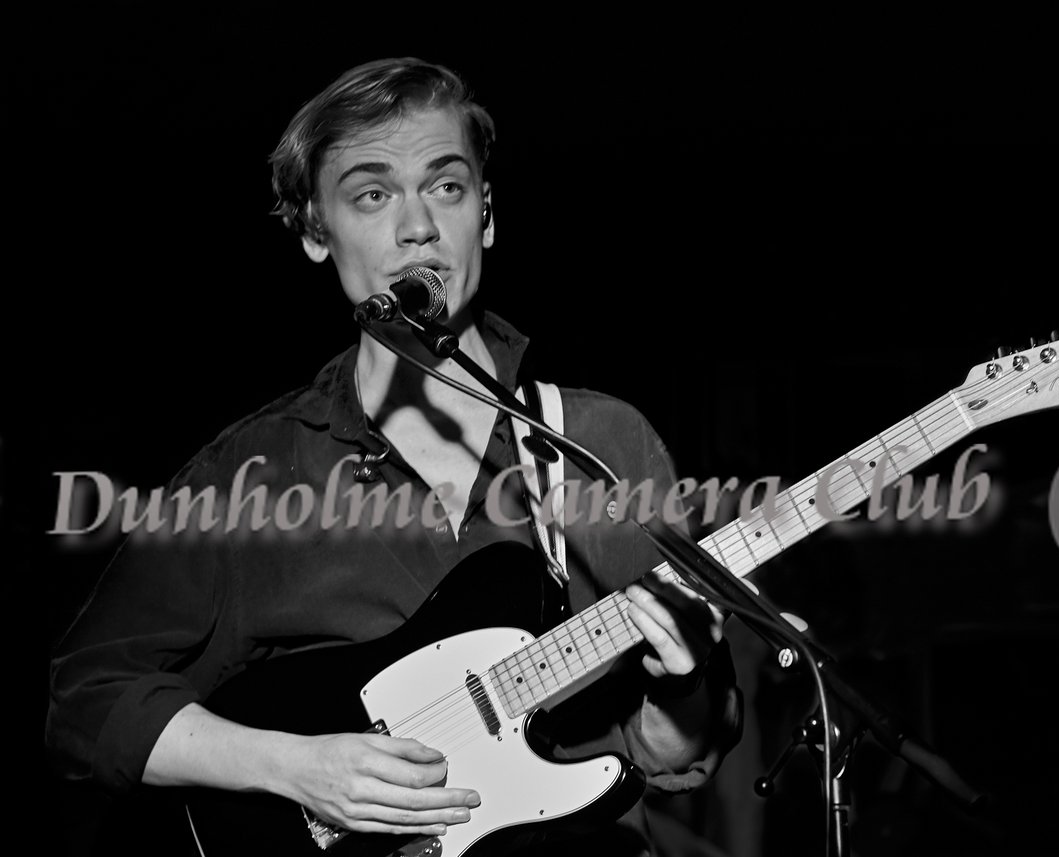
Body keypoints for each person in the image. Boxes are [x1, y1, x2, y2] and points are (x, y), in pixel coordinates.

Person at [46, 57, 740, 856]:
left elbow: (671, 756)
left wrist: (685, 685)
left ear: (485, 214)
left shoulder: (600, 445)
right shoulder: (253, 472)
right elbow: (84, 699)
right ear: (315, 232)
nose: (417, 226)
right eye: (372, 194)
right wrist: (292, 766)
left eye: (446, 186)